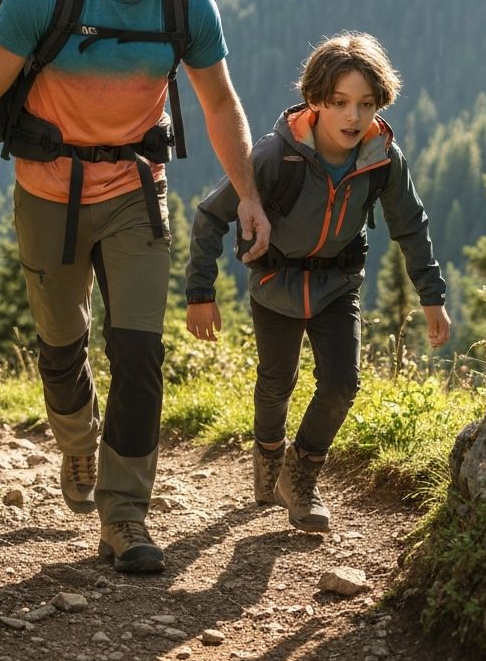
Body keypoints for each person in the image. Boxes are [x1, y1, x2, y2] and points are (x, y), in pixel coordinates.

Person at [0, 0, 271, 573]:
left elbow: (221, 106)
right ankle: (75, 446)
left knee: (140, 354)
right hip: (45, 193)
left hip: (134, 194)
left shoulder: (187, 2)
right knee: (62, 349)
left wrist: (248, 195)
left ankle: (125, 516)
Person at [184, 31, 450, 533]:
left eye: (366, 104)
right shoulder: (272, 157)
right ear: (315, 101)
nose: (354, 117)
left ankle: (301, 476)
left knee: (341, 385)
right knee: (276, 382)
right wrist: (201, 293)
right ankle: (268, 456)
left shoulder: (382, 160)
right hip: (274, 283)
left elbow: (411, 225)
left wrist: (431, 297)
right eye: (340, 103)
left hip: (337, 286)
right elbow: (209, 216)